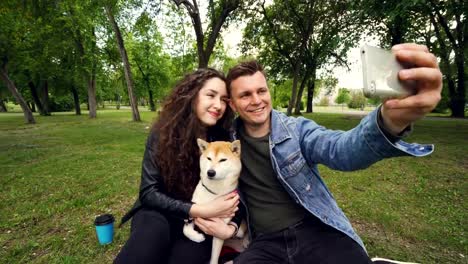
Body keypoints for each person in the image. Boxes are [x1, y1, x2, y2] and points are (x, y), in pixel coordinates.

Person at [223, 43, 442, 264]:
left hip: (313, 230)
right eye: (245, 95)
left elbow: (342, 149)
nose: (257, 100)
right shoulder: (224, 142)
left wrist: (388, 122)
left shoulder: (298, 130)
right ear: (232, 104)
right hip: (266, 243)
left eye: (262, 91)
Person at [114, 68, 243, 264]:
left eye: (224, 99)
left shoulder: (225, 140)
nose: (218, 105)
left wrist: (231, 226)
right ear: (192, 96)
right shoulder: (163, 133)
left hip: (198, 224)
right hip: (159, 213)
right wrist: (198, 210)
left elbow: (241, 189)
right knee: (142, 251)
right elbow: (148, 192)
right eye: (210, 95)